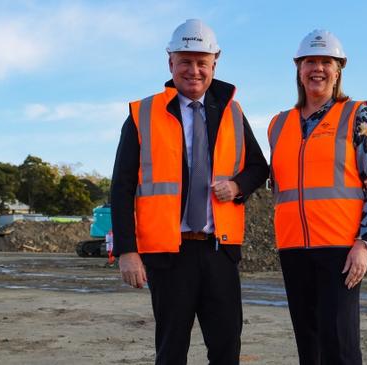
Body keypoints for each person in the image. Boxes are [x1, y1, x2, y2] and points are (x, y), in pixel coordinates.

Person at [111, 19, 269, 365]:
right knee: (171, 351)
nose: (193, 70)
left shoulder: (231, 111)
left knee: (227, 348)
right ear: (170, 63)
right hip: (169, 255)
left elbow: (259, 167)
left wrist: (237, 186)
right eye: (185, 61)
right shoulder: (142, 114)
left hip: (219, 251)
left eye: (202, 62)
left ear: (215, 62)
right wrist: (127, 251)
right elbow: (121, 189)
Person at [267, 29, 367, 365]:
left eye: (325, 62)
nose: (317, 68)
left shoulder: (356, 116)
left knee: (340, 347)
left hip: (340, 250)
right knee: (309, 346)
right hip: (293, 249)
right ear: (298, 68)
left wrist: (364, 244)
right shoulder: (278, 125)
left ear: (338, 70)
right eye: (310, 61)